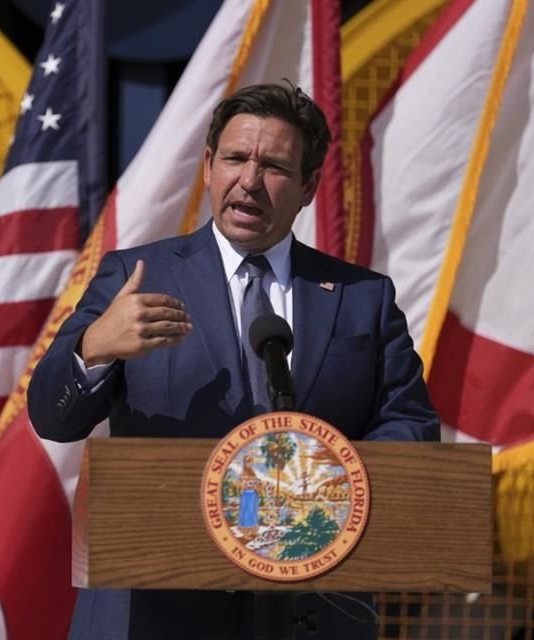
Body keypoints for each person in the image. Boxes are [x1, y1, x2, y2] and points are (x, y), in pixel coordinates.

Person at [28, 82, 440, 640]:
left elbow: (411, 426)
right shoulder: (135, 277)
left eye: (273, 166)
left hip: (313, 608)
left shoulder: (361, 297)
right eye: (236, 158)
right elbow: (52, 417)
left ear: (309, 186)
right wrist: (93, 348)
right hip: (156, 612)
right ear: (207, 165)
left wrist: (325, 486)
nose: (249, 181)